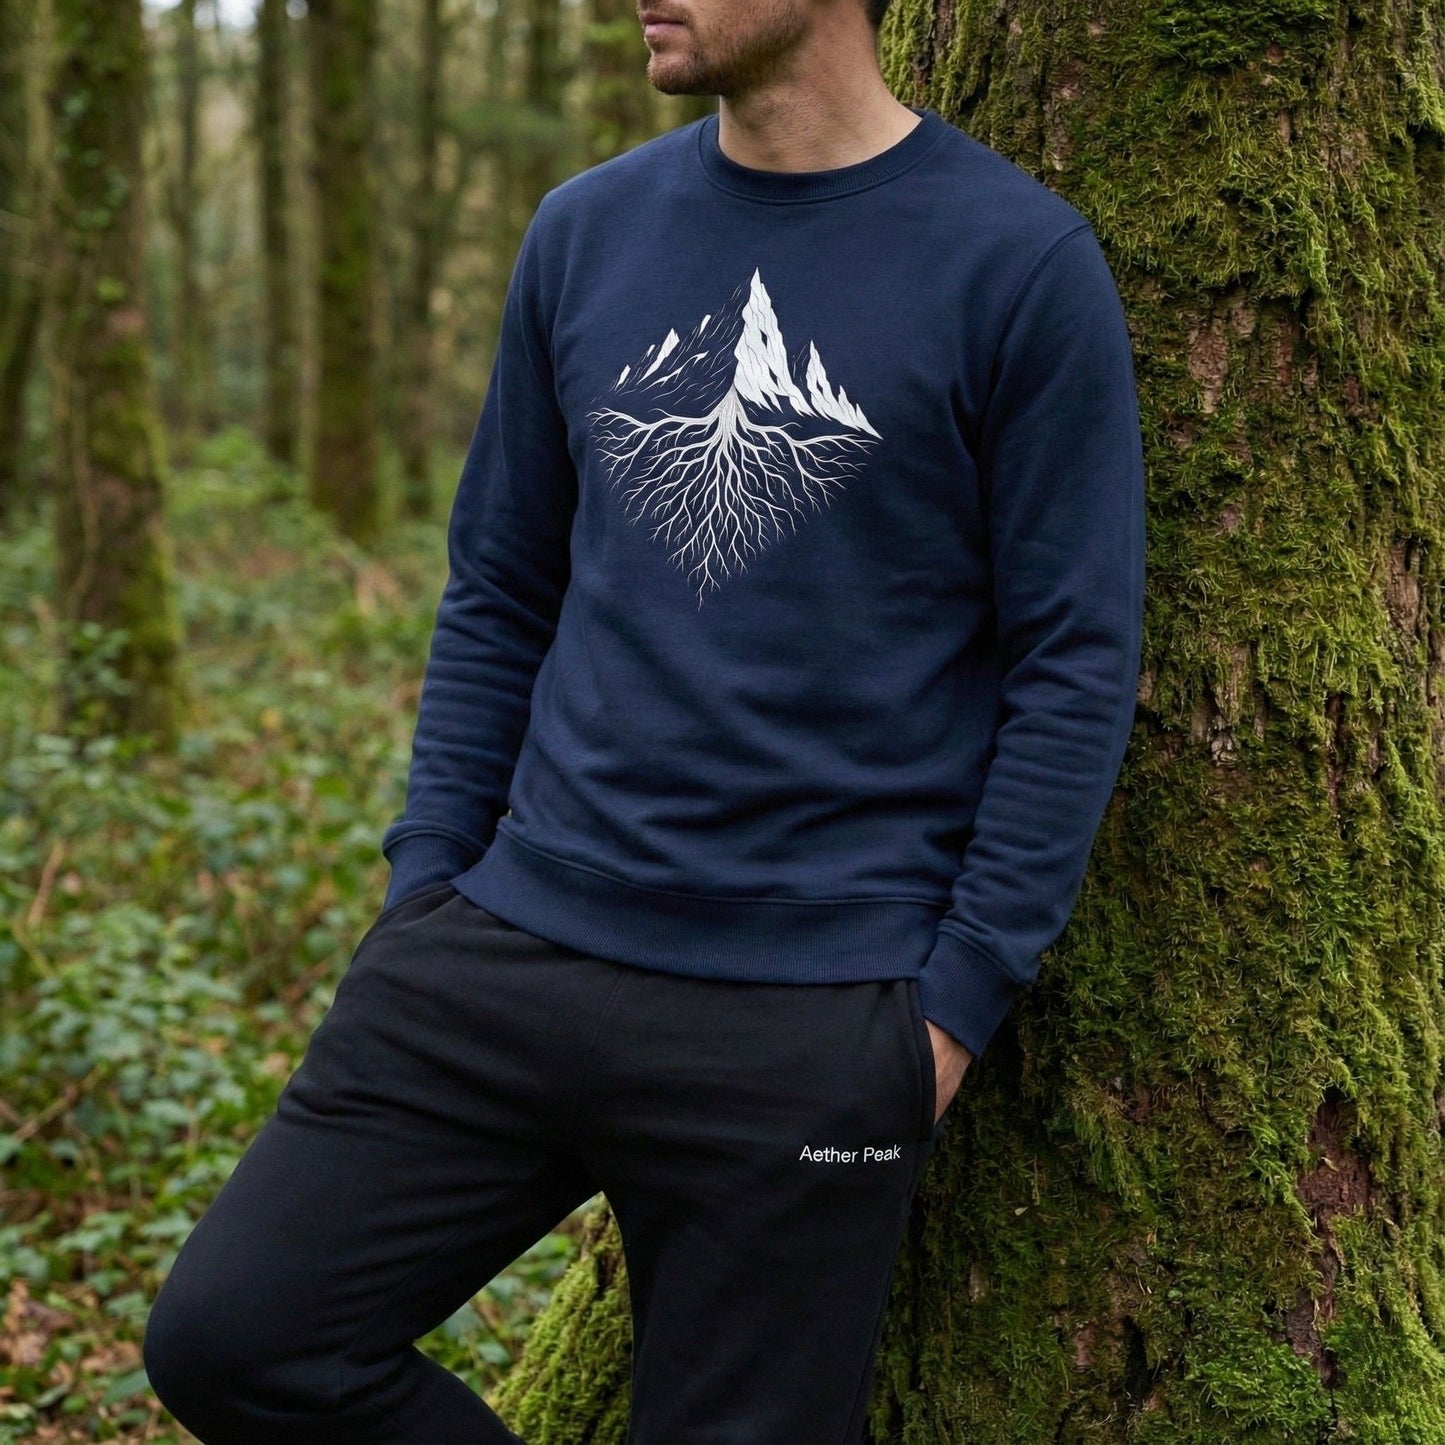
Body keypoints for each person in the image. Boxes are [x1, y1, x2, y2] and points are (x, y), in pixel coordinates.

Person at [141, 0, 1146, 1437]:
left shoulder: (1017, 263)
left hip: (811, 1013)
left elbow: (1073, 658)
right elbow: (499, 587)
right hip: (503, 957)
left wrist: (950, 1006)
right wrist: (425, 883)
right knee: (238, 1337)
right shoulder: (586, 230)